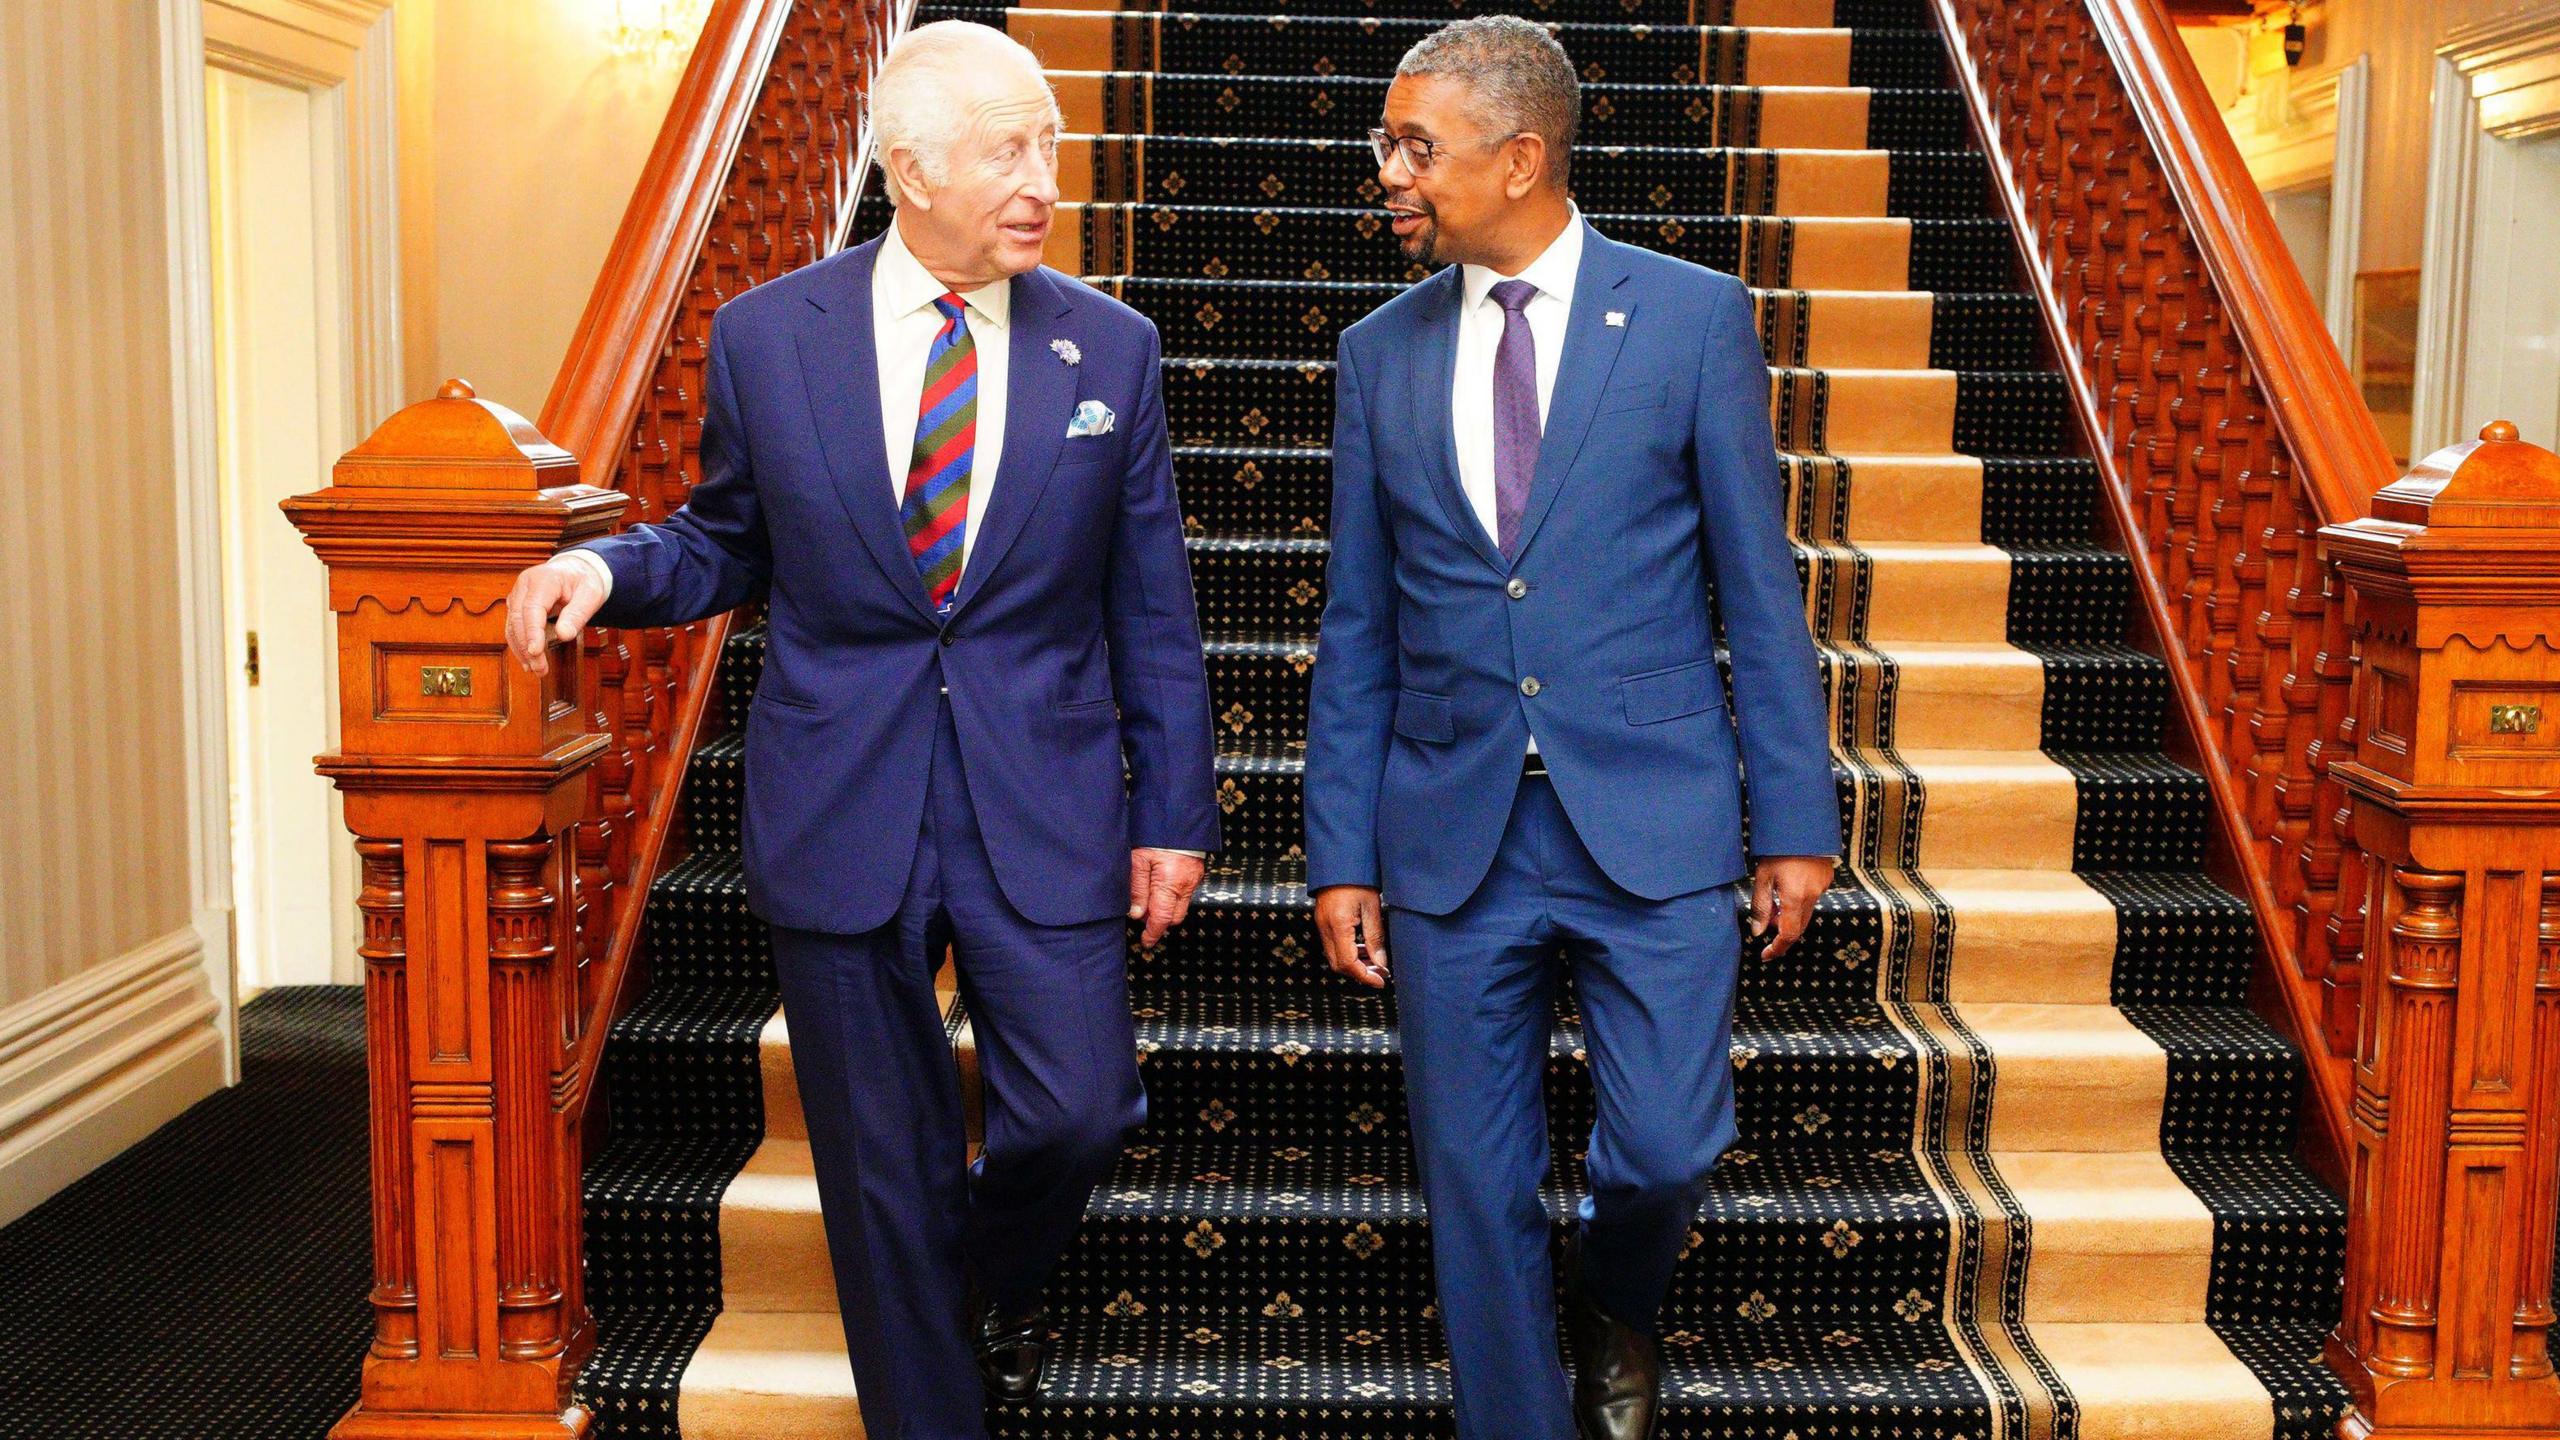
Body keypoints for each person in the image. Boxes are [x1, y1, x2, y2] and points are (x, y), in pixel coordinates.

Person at [502, 21, 1220, 1437]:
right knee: (877, 1168)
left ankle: (981, 1282)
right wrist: (606, 569)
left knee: (1078, 1111)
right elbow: (723, 542)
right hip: (843, 800)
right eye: (1007, 150)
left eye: (1051, 145)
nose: (1042, 179)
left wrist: (1172, 815)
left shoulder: (1109, 349)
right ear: (907, 169)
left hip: (1046, 795)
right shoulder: (773, 336)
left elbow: (1155, 610)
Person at [1301, 17, 1842, 1440]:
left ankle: (1620, 1295)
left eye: (1416, 145)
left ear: (1522, 155)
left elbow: (1756, 586)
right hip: (1450, 832)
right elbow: (1359, 624)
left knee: (1663, 1150)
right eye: (1389, 143)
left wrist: (1792, 820)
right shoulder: (1378, 352)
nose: (1390, 173)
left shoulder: (1689, 316)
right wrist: (1338, 853)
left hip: (1653, 815)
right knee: (1474, 1190)